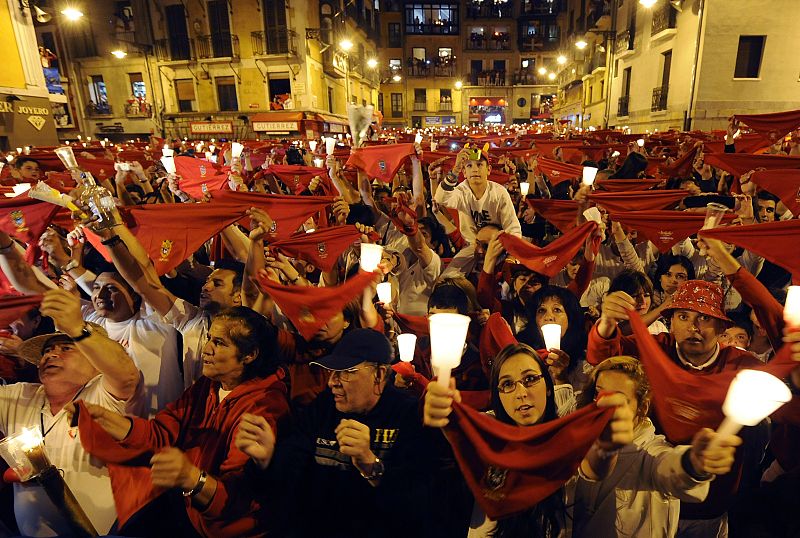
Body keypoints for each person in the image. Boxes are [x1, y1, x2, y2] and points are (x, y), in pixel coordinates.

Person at [68, 307, 289, 537]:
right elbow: (162, 432)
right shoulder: (208, 386)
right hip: (191, 511)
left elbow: (236, 498)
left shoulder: (264, 407)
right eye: (209, 338)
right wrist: (106, 418)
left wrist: (190, 477)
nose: (207, 349)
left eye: (220, 343)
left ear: (249, 355)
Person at [257, 328, 457, 537]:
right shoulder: (323, 408)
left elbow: (417, 505)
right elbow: (291, 482)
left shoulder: (407, 416)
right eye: (332, 372)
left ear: (379, 375)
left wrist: (370, 464)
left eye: (346, 372)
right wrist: (267, 460)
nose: (332, 382)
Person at [423, 342, 635, 537]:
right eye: (507, 384)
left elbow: (594, 469)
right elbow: (457, 432)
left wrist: (606, 445)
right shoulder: (488, 432)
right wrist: (443, 411)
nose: (521, 393)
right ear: (499, 396)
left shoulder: (566, 436)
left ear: (548, 388)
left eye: (530, 379)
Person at [0, 288, 142, 536]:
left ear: (95, 359)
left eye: (66, 348)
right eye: (46, 351)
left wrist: (78, 328)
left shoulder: (103, 393)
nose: (51, 354)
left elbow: (126, 373)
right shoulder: (21, 396)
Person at [0, 229, 182, 416]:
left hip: (161, 431)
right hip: (113, 430)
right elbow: (35, 284)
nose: (100, 295)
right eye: (95, 288)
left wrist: (111, 231)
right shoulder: (88, 319)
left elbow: (142, 276)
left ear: (135, 295)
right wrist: (6, 247)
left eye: (111, 288)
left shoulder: (155, 322)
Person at [569, 356, 741, 537]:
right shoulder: (579, 438)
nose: (603, 404)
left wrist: (692, 464)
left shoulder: (649, 453)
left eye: (618, 400)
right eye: (599, 393)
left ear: (642, 407)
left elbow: (668, 468)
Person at [433, 146, 522, 243]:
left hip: (497, 244)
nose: (475, 169)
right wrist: (455, 170)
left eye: (479, 165)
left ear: (488, 170)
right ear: (464, 172)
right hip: (471, 246)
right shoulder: (461, 191)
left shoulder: (499, 193)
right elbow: (440, 198)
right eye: (469, 166)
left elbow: (512, 228)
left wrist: (510, 255)